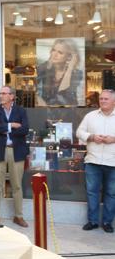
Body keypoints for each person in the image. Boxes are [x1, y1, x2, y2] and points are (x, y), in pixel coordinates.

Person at [0, 86, 29, 227]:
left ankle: (18, 216)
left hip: (16, 151)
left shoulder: (21, 111)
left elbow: (25, 129)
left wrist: (3, 127)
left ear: (12, 96)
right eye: (0, 93)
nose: (1, 96)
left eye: (4, 93)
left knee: (17, 185)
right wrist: (11, 125)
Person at [76, 89, 115, 233]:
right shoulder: (90, 116)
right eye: (101, 99)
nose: (103, 101)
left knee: (111, 193)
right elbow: (79, 132)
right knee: (92, 192)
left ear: (113, 101)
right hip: (93, 161)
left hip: (113, 162)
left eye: (106, 99)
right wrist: (92, 137)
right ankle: (92, 221)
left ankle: (107, 222)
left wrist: (113, 139)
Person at [36, 38, 83, 107]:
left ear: (69, 57)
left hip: (68, 111)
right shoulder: (44, 67)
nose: (54, 54)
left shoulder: (76, 73)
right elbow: (31, 87)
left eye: (60, 52)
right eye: (53, 50)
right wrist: (41, 102)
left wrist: (70, 68)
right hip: (46, 110)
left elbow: (62, 93)